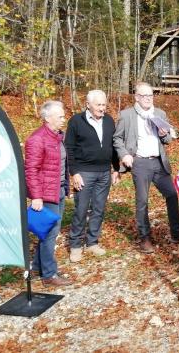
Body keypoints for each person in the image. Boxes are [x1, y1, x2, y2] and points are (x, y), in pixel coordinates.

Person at [113, 82, 179, 253]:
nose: (148, 99)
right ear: (136, 97)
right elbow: (117, 139)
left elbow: (167, 140)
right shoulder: (126, 115)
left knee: (172, 194)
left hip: (159, 163)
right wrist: (124, 155)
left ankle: (176, 234)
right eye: (144, 96)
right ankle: (145, 238)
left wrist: (164, 134)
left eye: (150, 95)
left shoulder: (160, 113)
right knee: (142, 201)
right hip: (140, 162)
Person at [65, 90, 120, 263]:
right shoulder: (76, 121)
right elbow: (69, 149)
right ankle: (75, 244)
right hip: (84, 173)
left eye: (104, 105)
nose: (102, 108)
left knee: (98, 208)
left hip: (104, 172)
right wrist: (74, 173)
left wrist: (116, 169)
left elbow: (113, 147)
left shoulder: (109, 121)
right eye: (99, 105)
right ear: (88, 104)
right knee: (81, 209)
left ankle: (92, 242)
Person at [25, 100, 72, 286]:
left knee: (47, 232)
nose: (63, 119)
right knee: (51, 233)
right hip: (46, 193)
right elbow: (31, 169)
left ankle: (37, 265)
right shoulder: (37, 139)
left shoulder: (58, 136)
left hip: (59, 189)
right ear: (47, 118)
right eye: (60, 116)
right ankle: (49, 275)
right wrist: (36, 196)